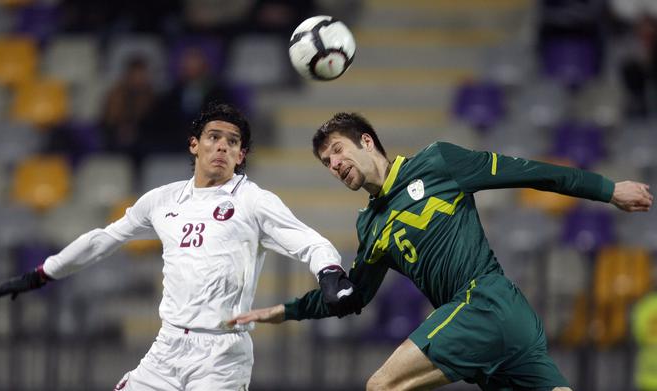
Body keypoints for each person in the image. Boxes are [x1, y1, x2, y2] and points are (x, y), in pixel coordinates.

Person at [229, 112, 654, 390]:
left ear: (366, 141)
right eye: (326, 162)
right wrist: (283, 311)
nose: (334, 164)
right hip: (497, 325)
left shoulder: (438, 163)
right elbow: (351, 297)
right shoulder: (371, 226)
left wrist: (608, 190)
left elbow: (531, 173)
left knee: (382, 386)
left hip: (485, 301)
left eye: (338, 150)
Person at [0, 103, 355, 391]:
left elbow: (310, 242)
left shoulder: (253, 201)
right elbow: (102, 240)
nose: (222, 146)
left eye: (233, 142)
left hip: (221, 356)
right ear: (195, 145)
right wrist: (43, 273)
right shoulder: (161, 201)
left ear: (241, 156)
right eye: (214, 137)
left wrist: (329, 272)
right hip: (167, 347)